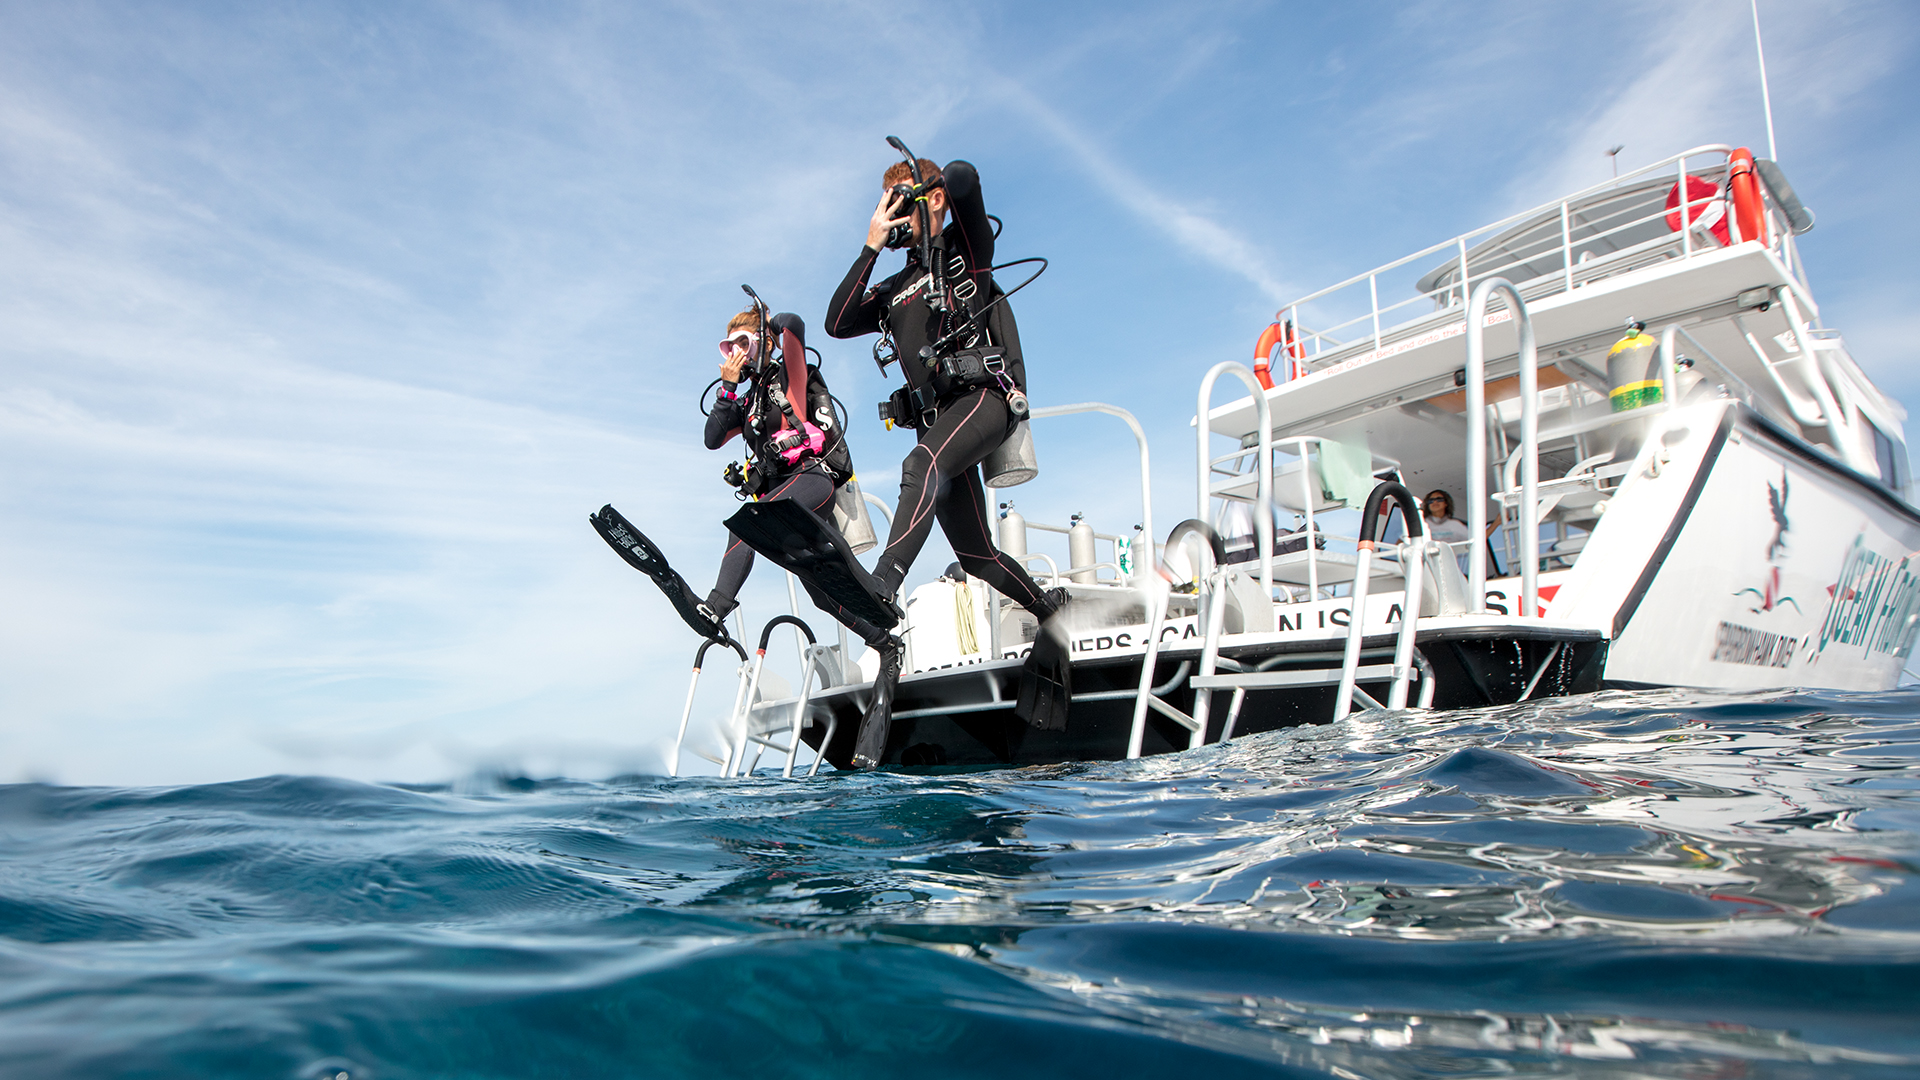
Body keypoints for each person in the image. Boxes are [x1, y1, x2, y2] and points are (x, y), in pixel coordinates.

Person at [824, 154, 1069, 757]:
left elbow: (964, 177)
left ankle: (881, 588)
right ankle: (1048, 608)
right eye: (893, 201)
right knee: (979, 555)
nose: (902, 210)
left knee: (918, 466)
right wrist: (872, 244)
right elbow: (835, 322)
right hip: (937, 425)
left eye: (908, 198)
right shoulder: (895, 284)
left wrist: (932, 193)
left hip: (984, 400)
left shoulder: (967, 250)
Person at [700, 307, 885, 646]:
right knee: (822, 594)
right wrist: (727, 390)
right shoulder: (746, 404)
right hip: (780, 497)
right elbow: (712, 438)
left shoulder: (789, 379)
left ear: (764, 343)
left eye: (743, 343)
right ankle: (885, 643)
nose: (736, 353)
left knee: (748, 524)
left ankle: (716, 606)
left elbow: (795, 325)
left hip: (810, 480)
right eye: (730, 347)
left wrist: (769, 324)